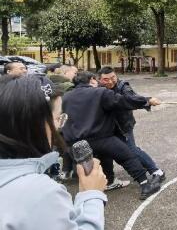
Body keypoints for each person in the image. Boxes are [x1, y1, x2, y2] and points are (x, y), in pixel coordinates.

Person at [0, 75, 107, 230]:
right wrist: (91, 195)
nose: (59, 127)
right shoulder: (39, 193)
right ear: (36, 124)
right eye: (57, 118)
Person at [61, 72, 162, 200]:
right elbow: (123, 101)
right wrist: (146, 101)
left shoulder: (66, 97)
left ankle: (106, 183)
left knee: (101, 158)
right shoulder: (100, 92)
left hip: (76, 143)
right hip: (101, 138)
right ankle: (145, 184)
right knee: (127, 156)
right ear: (92, 80)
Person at [97, 67, 165, 182]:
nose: (110, 81)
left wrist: (147, 100)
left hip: (123, 126)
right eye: (106, 79)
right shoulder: (97, 89)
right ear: (99, 80)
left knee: (131, 150)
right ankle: (109, 179)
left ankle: (156, 171)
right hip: (106, 128)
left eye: (113, 77)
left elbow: (131, 98)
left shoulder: (123, 86)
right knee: (108, 153)